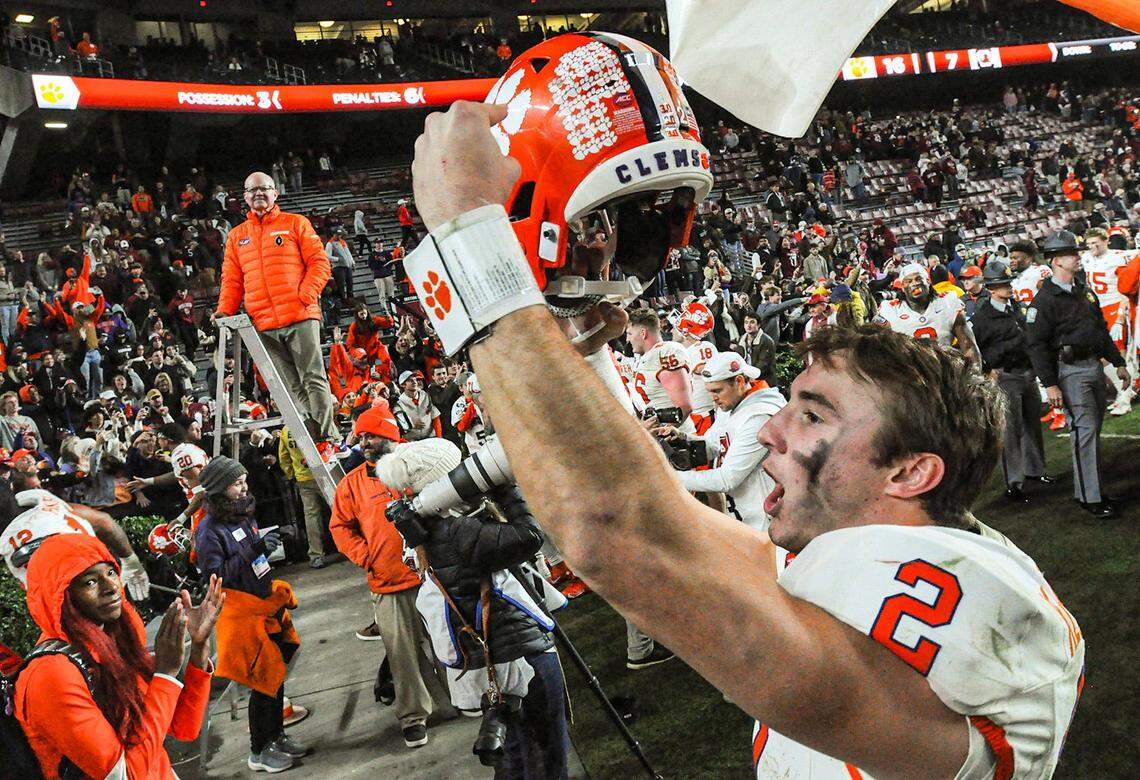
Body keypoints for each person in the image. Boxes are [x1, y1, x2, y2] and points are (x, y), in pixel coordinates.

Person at [405, 92, 1085, 779]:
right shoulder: (870, 554)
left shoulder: (978, 613)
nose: (778, 432)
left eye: (814, 415)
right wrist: (586, 352)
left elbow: (617, 531)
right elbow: (662, 516)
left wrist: (470, 238)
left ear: (908, 472)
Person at [380, 439, 571, 779]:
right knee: (543, 752)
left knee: (518, 752)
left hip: (499, 652)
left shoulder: (429, 527)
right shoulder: (456, 531)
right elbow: (529, 535)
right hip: (518, 653)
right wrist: (507, 490)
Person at [14, 533, 222, 779]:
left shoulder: (110, 641)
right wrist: (165, 674)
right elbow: (127, 775)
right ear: (59, 595)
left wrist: (198, 648)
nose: (111, 588)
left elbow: (184, 727)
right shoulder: (51, 675)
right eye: (89, 582)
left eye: (110, 573)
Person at [329, 406, 451, 748]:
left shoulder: (416, 468)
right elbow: (339, 527)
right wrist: (365, 557)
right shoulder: (351, 484)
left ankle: (463, 698)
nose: (365, 441)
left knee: (449, 641)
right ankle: (414, 717)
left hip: (433, 576)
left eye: (372, 435)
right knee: (402, 655)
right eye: (362, 436)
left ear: (391, 437)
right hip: (389, 584)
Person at [194, 456, 308, 772]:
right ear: (219, 489)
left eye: (244, 480)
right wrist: (256, 550)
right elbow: (215, 579)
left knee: (276, 675)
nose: (244, 487)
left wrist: (266, 542)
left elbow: (249, 556)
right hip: (241, 615)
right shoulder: (208, 531)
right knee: (262, 682)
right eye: (236, 483)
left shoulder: (243, 515)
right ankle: (259, 750)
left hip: (263, 607)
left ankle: (277, 736)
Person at [215, 171, 339, 444]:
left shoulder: (296, 223)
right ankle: (313, 431)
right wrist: (225, 310)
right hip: (263, 323)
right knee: (290, 384)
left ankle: (328, 436)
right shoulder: (237, 236)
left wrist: (305, 295)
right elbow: (232, 279)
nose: (258, 194)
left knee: (313, 377)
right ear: (245, 197)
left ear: (275, 193)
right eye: (252, 190)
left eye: (264, 189)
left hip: (299, 315)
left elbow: (320, 262)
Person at [1026, 230, 1130, 518]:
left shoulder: (1082, 289)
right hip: (1069, 369)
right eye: (1072, 253)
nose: (1078, 256)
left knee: (1090, 430)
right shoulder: (1044, 300)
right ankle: (1091, 498)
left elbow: (1099, 331)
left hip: (1092, 365)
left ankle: (1088, 491)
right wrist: (1049, 384)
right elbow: (1035, 345)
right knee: (1084, 431)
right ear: (1057, 260)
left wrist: (1117, 361)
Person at [656, 352, 785, 531]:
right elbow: (712, 444)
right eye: (710, 392)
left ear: (739, 381)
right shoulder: (734, 405)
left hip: (768, 521)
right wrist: (683, 438)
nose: (713, 398)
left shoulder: (760, 415)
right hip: (746, 515)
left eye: (717, 391)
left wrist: (668, 477)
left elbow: (727, 479)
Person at [971, 261, 1052, 503]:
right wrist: (989, 369)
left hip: (1027, 372)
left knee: (1032, 424)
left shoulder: (1016, 308)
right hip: (1006, 375)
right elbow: (977, 350)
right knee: (1011, 430)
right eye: (1003, 284)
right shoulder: (983, 317)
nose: (1009, 287)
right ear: (992, 289)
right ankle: (1015, 482)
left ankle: (1035, 471)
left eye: (1008, 282)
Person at [875, 263, 981, 368]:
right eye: (909, 281)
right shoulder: (890, 310)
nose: (914, 284)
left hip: (946, 372)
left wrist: (975, 376)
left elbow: (968, 347)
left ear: (928, 281)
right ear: (902, 287)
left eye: (918, 279)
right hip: (910, 376)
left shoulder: (948, 303)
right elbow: (878, 351)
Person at [1081, 228, 1134, 415]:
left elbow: (1126, 288)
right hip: (1097, 309)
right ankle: (1125, 392)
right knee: (1102, 355)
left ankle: (1125, 396)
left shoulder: (1118, 257)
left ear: (1106, 241)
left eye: (1096, 242)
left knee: (1117, 354)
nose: (1092, 246)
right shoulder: (1086, 257)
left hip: (1114, 306)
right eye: (1089, 243)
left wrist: (1120, 316)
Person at [625, 309, 693, 425]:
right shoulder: (647, 356)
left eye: (629, 334)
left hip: (674, 436)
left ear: (643, 333)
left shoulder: (664, 353)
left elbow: (683, 407)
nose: (627, 339)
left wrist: (665, 435)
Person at [279, 425, 328, 568]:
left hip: (303, 478)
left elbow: (283, 458)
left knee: (311, 516)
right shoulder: (315, 423)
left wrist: (292, 475)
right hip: (324, 473)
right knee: (340, 510)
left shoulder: (286, 430)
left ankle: (316, 555)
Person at [673, 301, 719, 433]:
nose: (672, 331)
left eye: (675, 328)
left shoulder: (703, 348)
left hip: (703, 415)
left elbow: (707, 371)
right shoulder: (684, 351)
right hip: (691, 415)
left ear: (686, 331)